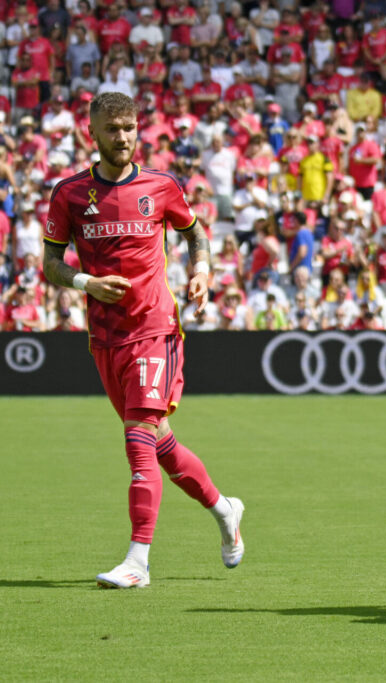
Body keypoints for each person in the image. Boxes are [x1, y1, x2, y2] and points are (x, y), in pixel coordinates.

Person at [41, 92, 245, 589]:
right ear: (92, 131)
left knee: (136, 441)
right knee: (157, 443)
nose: (123, 137)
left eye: (130, 127)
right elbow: (49, 266)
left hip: (155, 328)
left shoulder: (161, 185)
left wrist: (201, 270)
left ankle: (138, 561)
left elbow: (195, 233)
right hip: (105, 337)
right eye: (113, 128)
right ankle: (224, 509)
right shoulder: (69, 194)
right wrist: (86, 284)